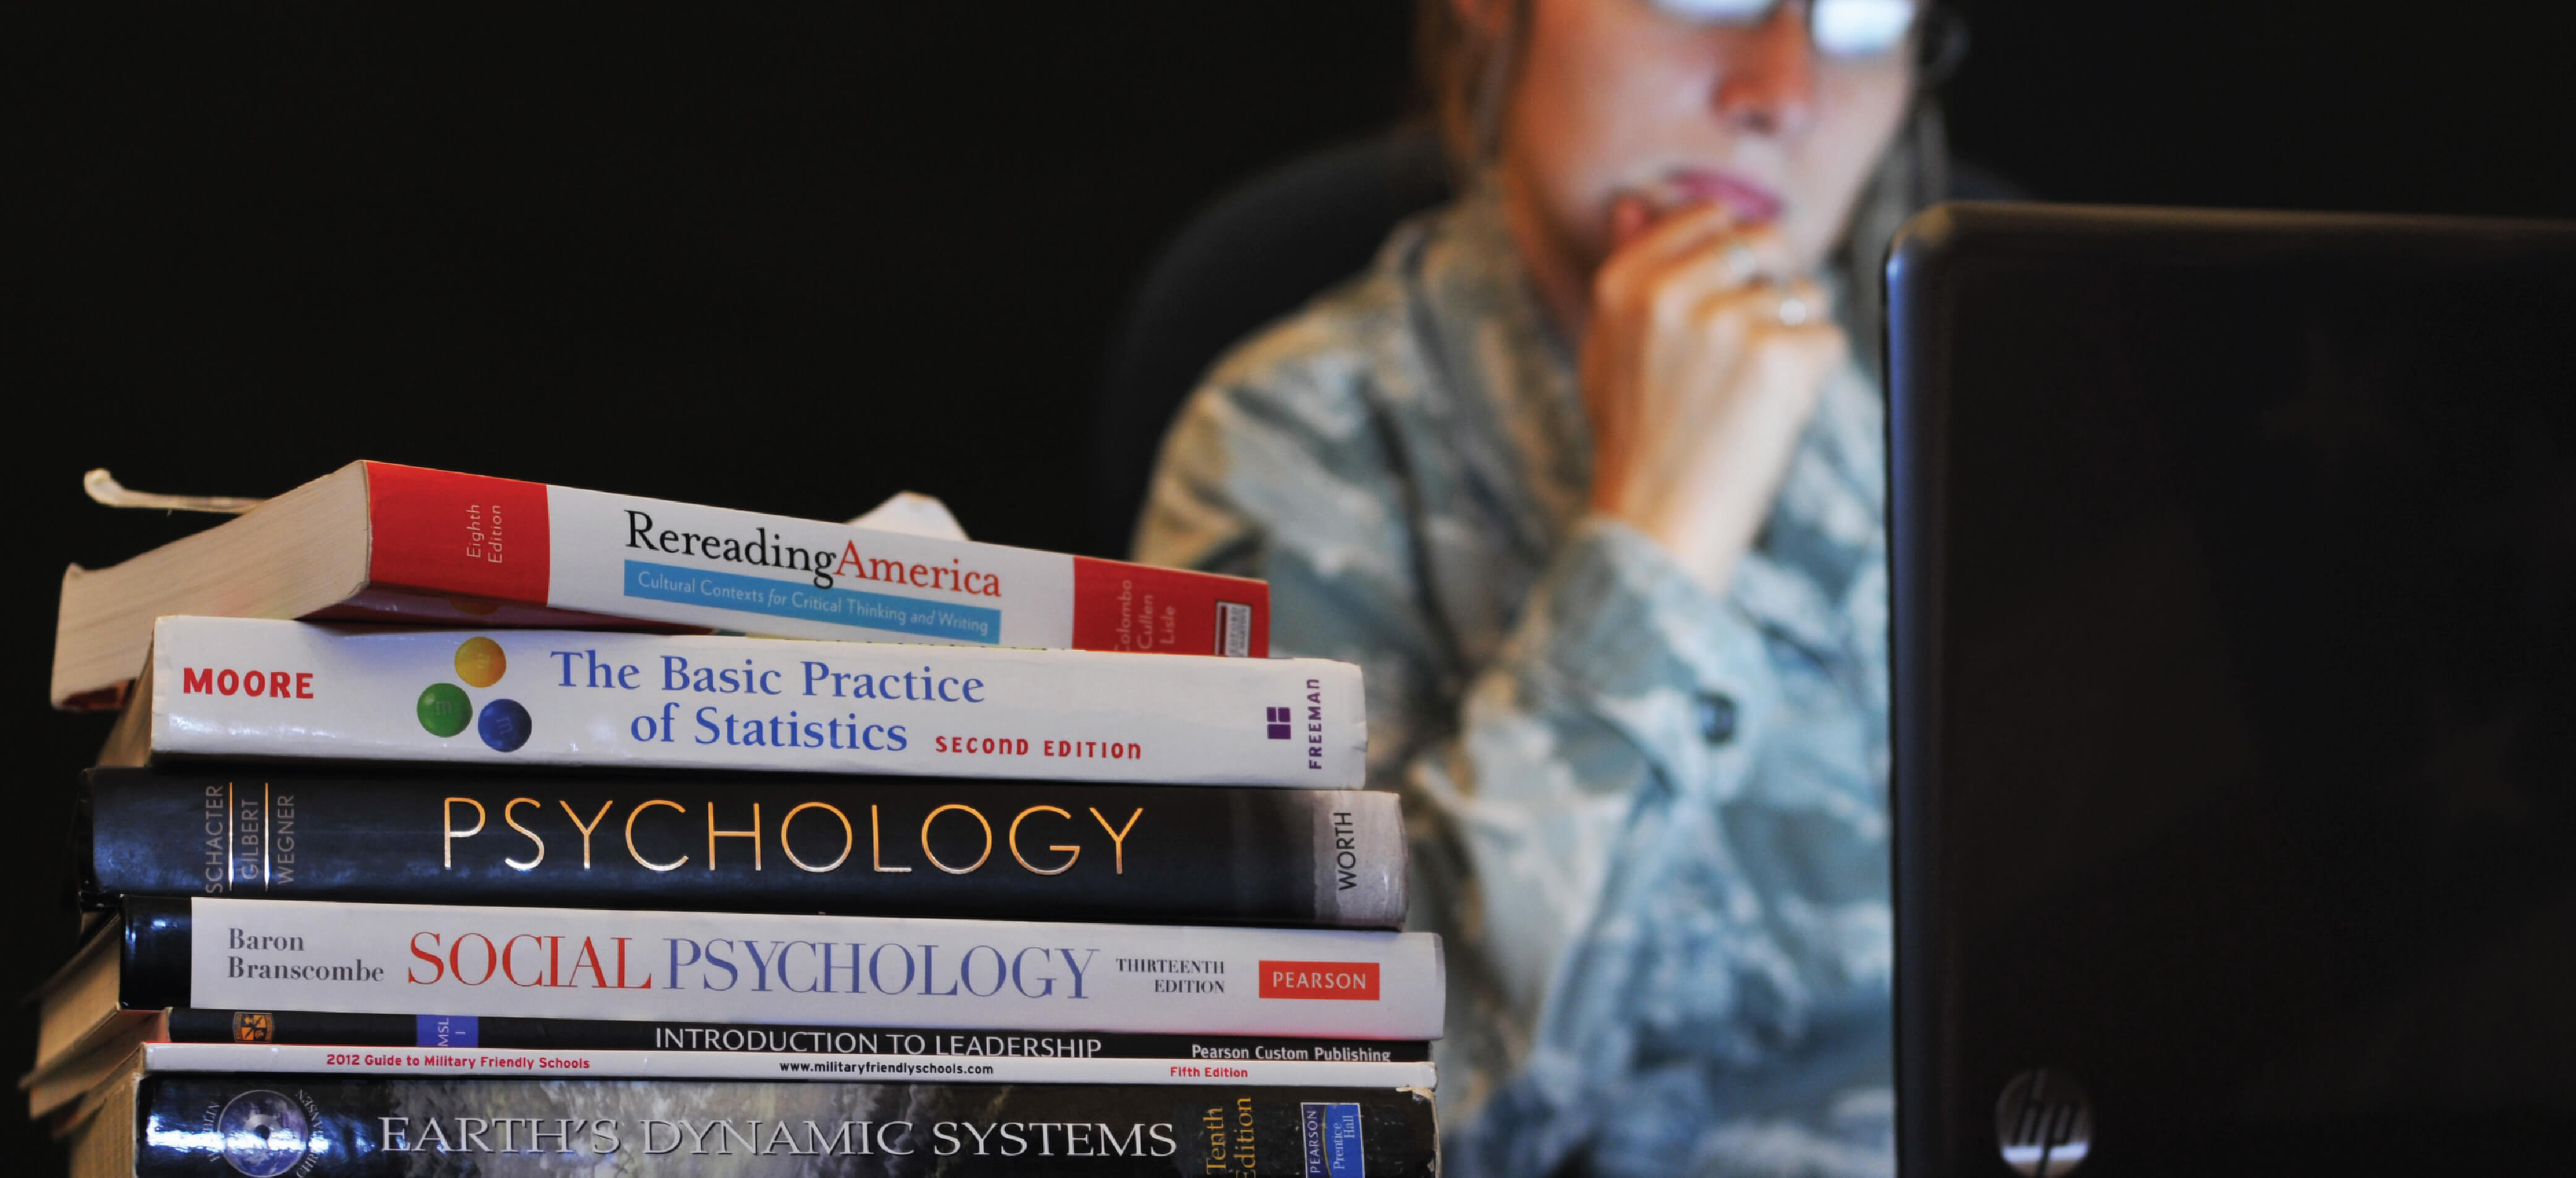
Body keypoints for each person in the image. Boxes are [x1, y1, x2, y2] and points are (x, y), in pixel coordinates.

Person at [1136, 2, 1944, 1174]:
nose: (1786, 89)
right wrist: (1656, 548)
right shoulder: (1290, 443)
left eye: (1867, 15)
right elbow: (1311, 1104)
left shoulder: (1978, 408)